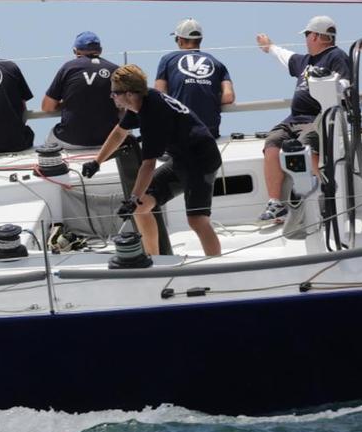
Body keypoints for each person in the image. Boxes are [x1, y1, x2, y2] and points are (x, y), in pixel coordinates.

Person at [81, 65, 222, 256]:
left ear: (129, 94)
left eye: (114, 93)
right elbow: (119, 132)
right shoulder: (140, 102)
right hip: (181, 159)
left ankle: (215, 265)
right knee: (141, 206)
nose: (112, 97)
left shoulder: (153, 114)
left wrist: (132, 198)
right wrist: (97, 162)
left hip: (201, 160)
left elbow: (148, 164)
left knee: (197, 220)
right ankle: (154, 260)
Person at [255, 15, 351, 223]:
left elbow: (345, 84)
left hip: (318, 117)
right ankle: (276, 203)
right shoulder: (305, 61)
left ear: (317, 36)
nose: (305, 39)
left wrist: (327, 80)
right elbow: (284, 55)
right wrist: (269, 46)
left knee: (304, 145)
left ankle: (323, 194)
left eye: (307, 35)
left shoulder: (336, 56)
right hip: (294, 118)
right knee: (272, 143)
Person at [155, 19, 234, 138]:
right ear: (200, 40)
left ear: (180, 40)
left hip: (179, 130)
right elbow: (228, 96)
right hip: (209, 131)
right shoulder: (217, 63)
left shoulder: (167, 60)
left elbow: (159, 94)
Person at [41, 31, 119, 148]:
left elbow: (47, 107)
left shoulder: (69, 67)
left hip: (71, 139)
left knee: (48, 141)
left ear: (75, 51)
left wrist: (68, 102)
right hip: (108, 140)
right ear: (100, 50)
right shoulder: (116, 69)